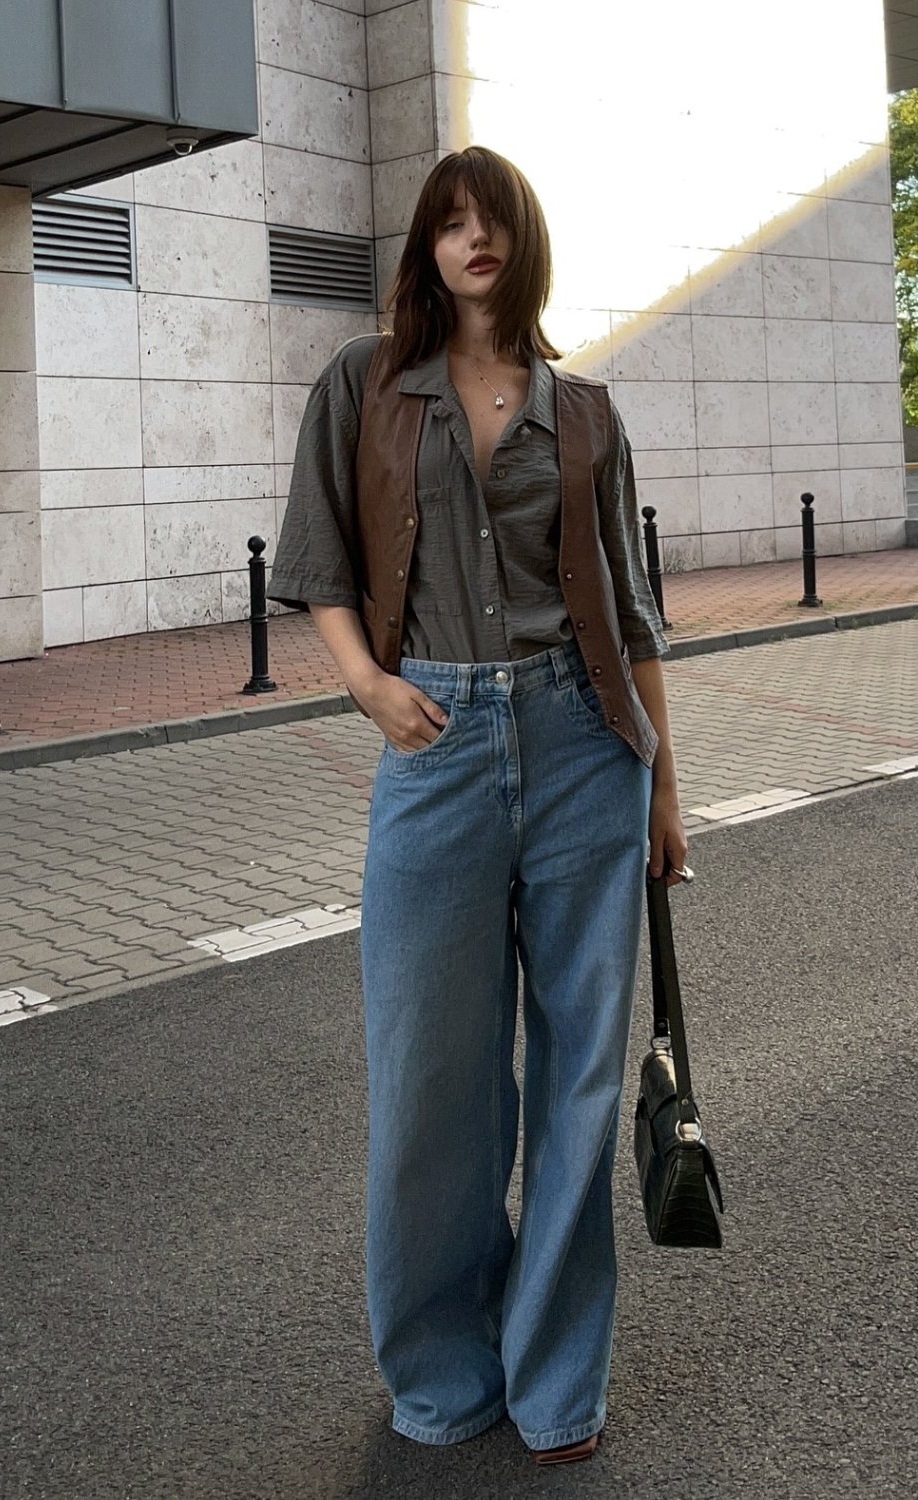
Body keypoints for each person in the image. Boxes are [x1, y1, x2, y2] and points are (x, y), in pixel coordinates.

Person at [268, 145, 688, 1465]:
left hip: (585, 744)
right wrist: (366, 687)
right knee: (433, 1081)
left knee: (575, 1079)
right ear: (425, 249)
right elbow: (319, 555)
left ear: (521, 238)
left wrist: (667, 783)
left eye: (490, 217)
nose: (471, 237)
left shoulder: (588, 412)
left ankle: (556, 1381)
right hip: (437, 742)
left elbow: (630, 611)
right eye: (448, 222)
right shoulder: (366, 385)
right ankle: (445, 1371)